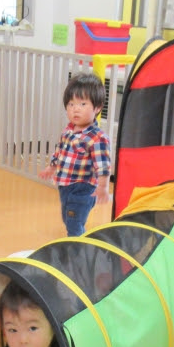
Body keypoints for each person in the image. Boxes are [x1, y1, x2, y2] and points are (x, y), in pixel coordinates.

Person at [38, 72, 111, 236]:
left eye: (83, 104)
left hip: (83, 188)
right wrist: (51, 167)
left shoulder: (97, 138)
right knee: (67, 218)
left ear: (97, 108)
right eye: (71, 104)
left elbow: (103, 167)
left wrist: (103, 187)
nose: (75, 109)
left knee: (74, 222)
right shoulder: (68, 130)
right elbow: (60, 151)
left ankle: (77, 246)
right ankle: (79, 237)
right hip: (65, 184)